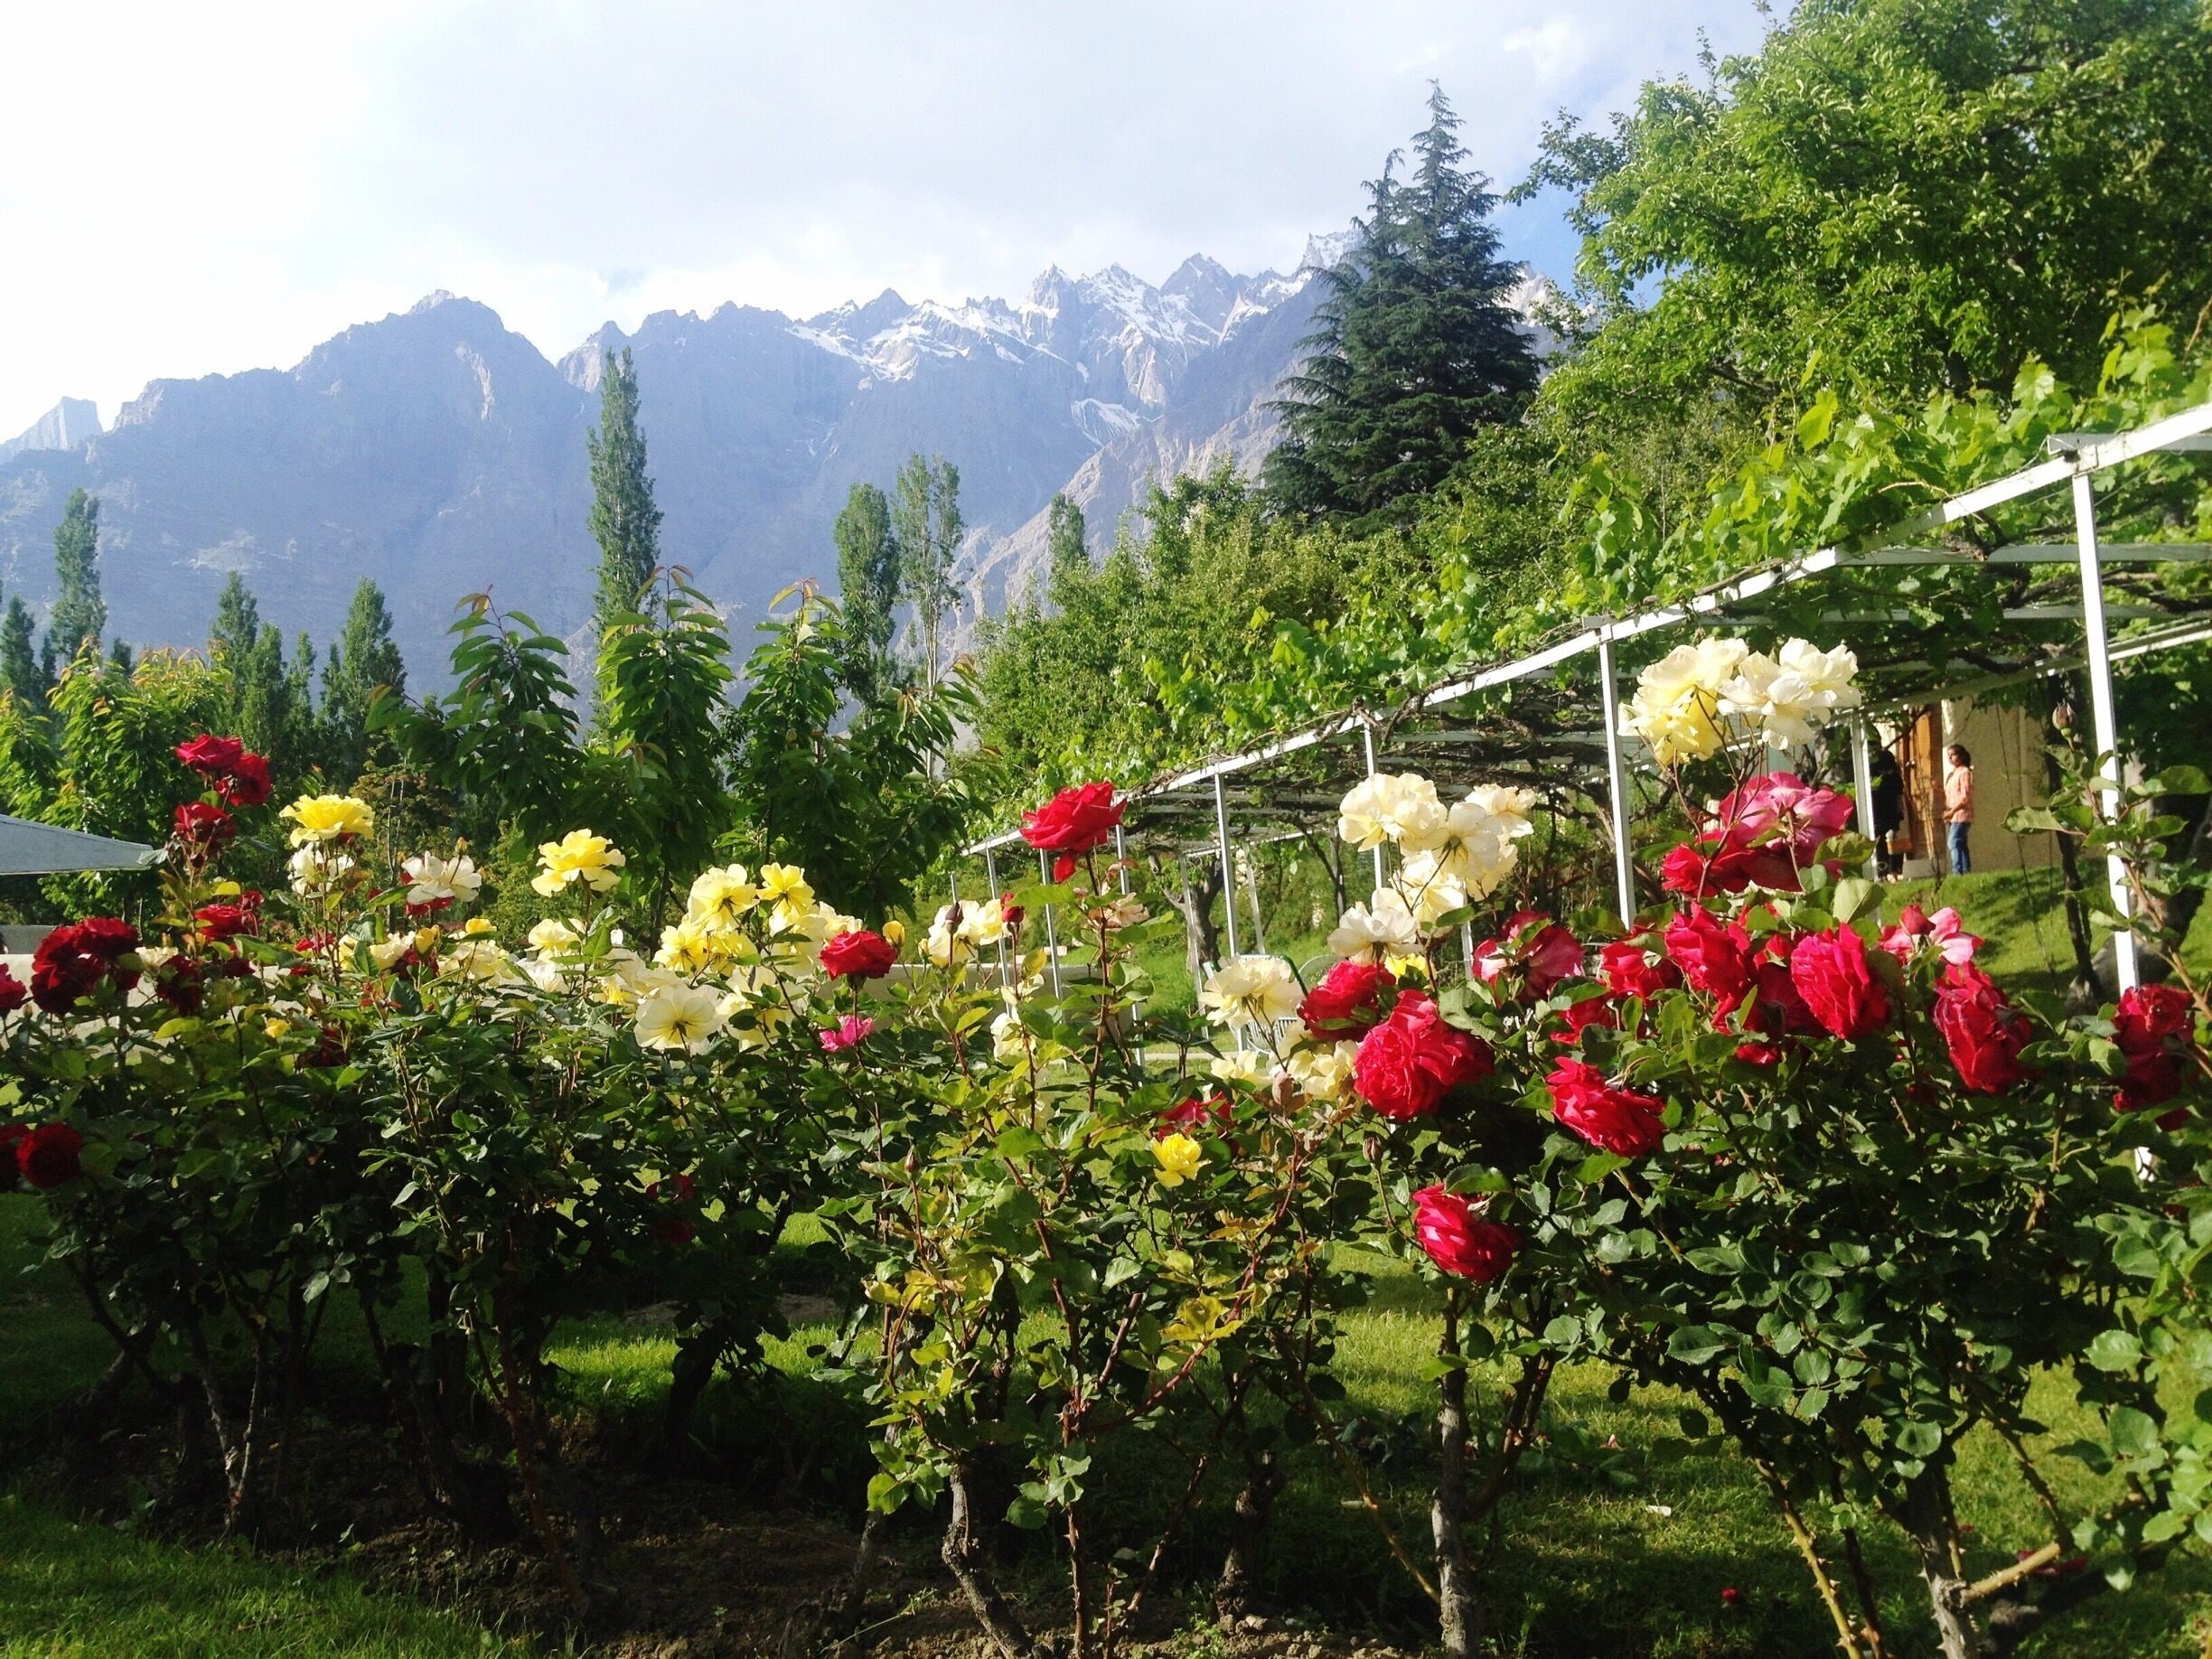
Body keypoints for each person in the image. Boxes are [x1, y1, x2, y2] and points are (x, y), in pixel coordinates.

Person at [1870, 748, 1905, 877]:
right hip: (1890, 810)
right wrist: (1900, 810)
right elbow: (1899, 792)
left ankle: (1883, 871)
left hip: (1877, 811)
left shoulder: (1872, 774)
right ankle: (1893, 870)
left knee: (1880, 841)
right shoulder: (1893, 773)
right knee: (1891, 840)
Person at [1944, 744, 1974, 876]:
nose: (1951, 758)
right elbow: (1951, 794)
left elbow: (1964, 797)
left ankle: (1957, 871)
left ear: (1961, 755)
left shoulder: (1965, 772)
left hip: (1962, 814)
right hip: (1953, 815)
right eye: (1949, 756)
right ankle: (1965, 871)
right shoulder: (1953, 774)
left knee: (1953, 842)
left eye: (1953, 754)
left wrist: (1952, 811)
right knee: (1961, 844)